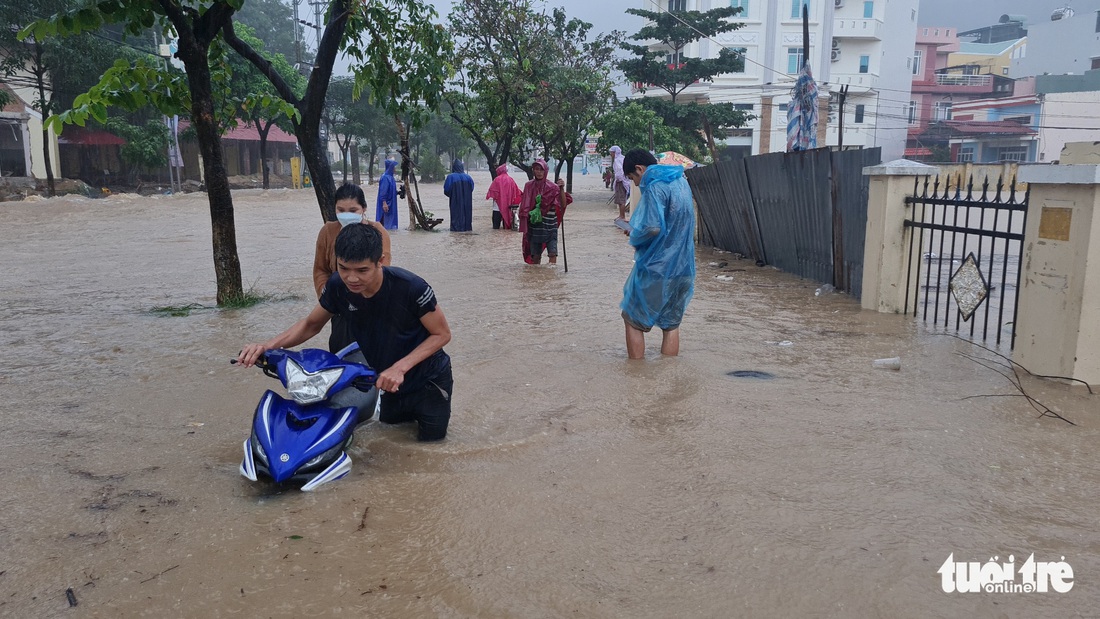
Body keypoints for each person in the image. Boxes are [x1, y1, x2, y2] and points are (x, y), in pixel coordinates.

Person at [243, 223, 453, 442]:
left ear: (380, 261)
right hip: (386, 383)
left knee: (432, 448)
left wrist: (399, 368)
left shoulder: (411, 287)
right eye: (344, 268)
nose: (352, 279)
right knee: (392, 442)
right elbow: (311, 325)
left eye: (362, 270)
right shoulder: (337, 286)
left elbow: (442, 334)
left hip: (429, 382)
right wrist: (266, 347)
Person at [619, 149, 696, 359]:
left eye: (632, 178)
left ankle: (636, 376)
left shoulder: (654, 186)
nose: (635, 184)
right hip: (685, 268)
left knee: (632, 319)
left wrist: (634, 233)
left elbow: (652, 228)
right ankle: (668, 373)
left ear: (639, 169)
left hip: (658, 268)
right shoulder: (681, 182)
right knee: (671, 324)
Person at [314, 183, 392, 352]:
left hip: (372, 308)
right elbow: (320, 270)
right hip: (339, 309)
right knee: (341, 354)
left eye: (353, 210)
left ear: (363, 208)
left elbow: (382, 269)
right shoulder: (328, 231)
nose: (346, 215)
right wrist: (327, 296)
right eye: (341, 210)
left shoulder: (377, 231)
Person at [518, 159, 571, 265]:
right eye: (536, 169)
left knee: (552, 253)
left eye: (541, 170)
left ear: (545, 171)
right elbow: (525, 207)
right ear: (533, 171)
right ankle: (537, 277)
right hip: (535, 226)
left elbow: (563, 204)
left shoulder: (553, 187)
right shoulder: (529, 186)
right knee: (535, 256)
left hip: (550, 226)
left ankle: (550, 276)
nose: (539, 172)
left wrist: (561, 189)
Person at [485, 164, 521, 230]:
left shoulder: (497, 179)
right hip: (508, 207)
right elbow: (516, 191)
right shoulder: (511, 180)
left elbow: (492, 191)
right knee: (506, 229)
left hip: (497, 208)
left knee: (495, 229)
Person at [443, 160, 474, 232]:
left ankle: (456, 231)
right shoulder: (468, 177)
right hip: (467, 201)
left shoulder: (450, 177)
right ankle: (467, 229)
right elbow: (472, 188)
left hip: (455, 201)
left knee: (455, 217)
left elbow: (446, 190)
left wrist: (454, 195)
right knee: (467, 216)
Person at [376, 158, 399, 230]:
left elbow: (391, 191)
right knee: (384, 220)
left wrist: (398, 192)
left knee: (391, 221)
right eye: (394, 166)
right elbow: (383, 191)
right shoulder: (385, 177)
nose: (395, 168)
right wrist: (384, 203)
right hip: (386, 203)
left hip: (392, 203)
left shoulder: (391, 178)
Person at [610, 145, 630, 220]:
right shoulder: (622, 158)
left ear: (615, 152)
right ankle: (621, 215)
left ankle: (622, 216)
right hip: (624, 181)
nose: (611, 155)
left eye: (611, 153)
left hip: (621, 181)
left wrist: (618, 179)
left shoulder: (617, 160)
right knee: (621, 199)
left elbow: (620, 171)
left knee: (621, 200)